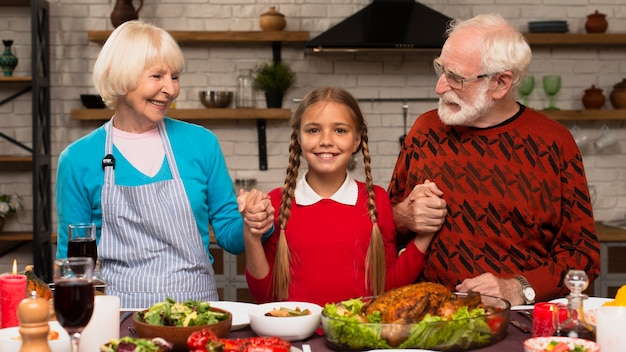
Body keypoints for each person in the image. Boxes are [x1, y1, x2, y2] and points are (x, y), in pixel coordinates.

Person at [55, 21, 273, 309]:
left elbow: (230, 235)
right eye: (156, 76)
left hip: (197, 314)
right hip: (119, 316)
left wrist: (254, 223)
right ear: (119, 77)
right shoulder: (78, 159)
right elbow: (74, 263)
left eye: (175, 76)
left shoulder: (201, 144)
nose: (170, 89)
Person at [388, 13, 601, 306]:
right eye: (441, 69)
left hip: (518, 322)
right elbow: (381, 231)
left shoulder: (554, 143)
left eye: (456, 78)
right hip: (428, 318)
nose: (439, 87)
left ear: (500, 84)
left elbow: (583, 257)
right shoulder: (425, 131)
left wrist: (518, 288)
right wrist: (404, 216)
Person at [243, 87, 434, 306]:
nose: (326, 140)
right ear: (298, 138)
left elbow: (389, 288)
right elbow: (264, 297)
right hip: (296, 338)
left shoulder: (376, 200)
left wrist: (425, 235)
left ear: (356, 140)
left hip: (358, 337)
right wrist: (251, 234)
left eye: (340, 131)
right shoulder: (276, 202)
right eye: (313, 130)